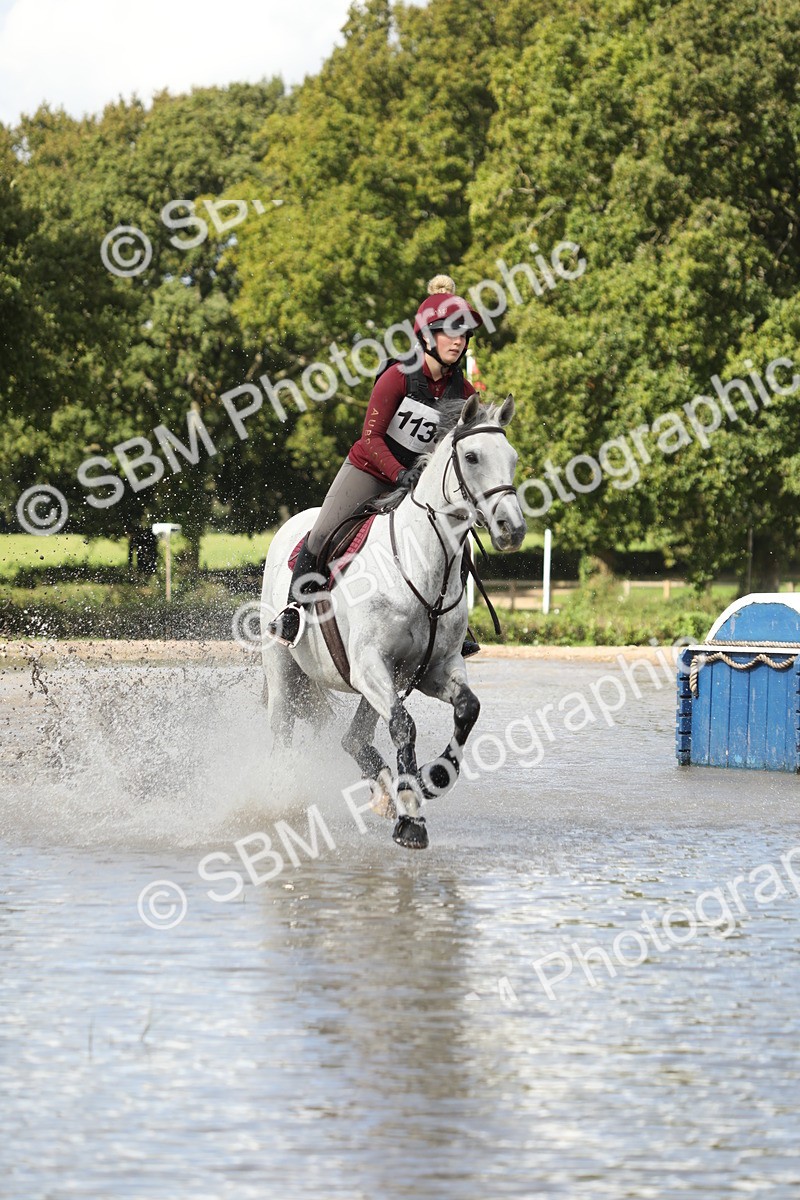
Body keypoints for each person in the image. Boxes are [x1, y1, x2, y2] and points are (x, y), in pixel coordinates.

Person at [265, 274, 483, 652]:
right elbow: (371, 438)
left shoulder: (463, 391)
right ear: (426, 337)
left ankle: (454, 625)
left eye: (464, 334)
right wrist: (400, 473)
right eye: (450, 332)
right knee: (322, 533)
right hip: (370, 470)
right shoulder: (397, 377)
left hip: (419, 483)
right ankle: (293, 610)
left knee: (456, 543)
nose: (459, 340)